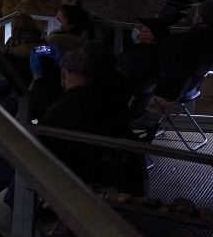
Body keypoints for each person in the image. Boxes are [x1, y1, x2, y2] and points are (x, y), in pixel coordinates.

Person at [39, 43, 143, 191]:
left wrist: (33, 118)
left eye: (65, 73)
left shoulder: (70, 105)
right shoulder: (116, 91)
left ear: (76, 74)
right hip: (107, 159)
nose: (62, 80)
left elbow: (40, 135)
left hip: (71, 166)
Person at [29, 3, 95, 118]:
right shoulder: (85, 44)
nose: (55, 20)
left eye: (59, 18)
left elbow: (36, 52)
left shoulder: (57, 43)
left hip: (50, 88)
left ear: (70, 26)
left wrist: (37, 77)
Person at [119, 17, 169, 117]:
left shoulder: (138, 54)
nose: (139, 32)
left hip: (125, 97)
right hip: (138, 103)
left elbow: (124, 74)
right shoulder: (160, 54)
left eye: (143, 30)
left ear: (150, 36)